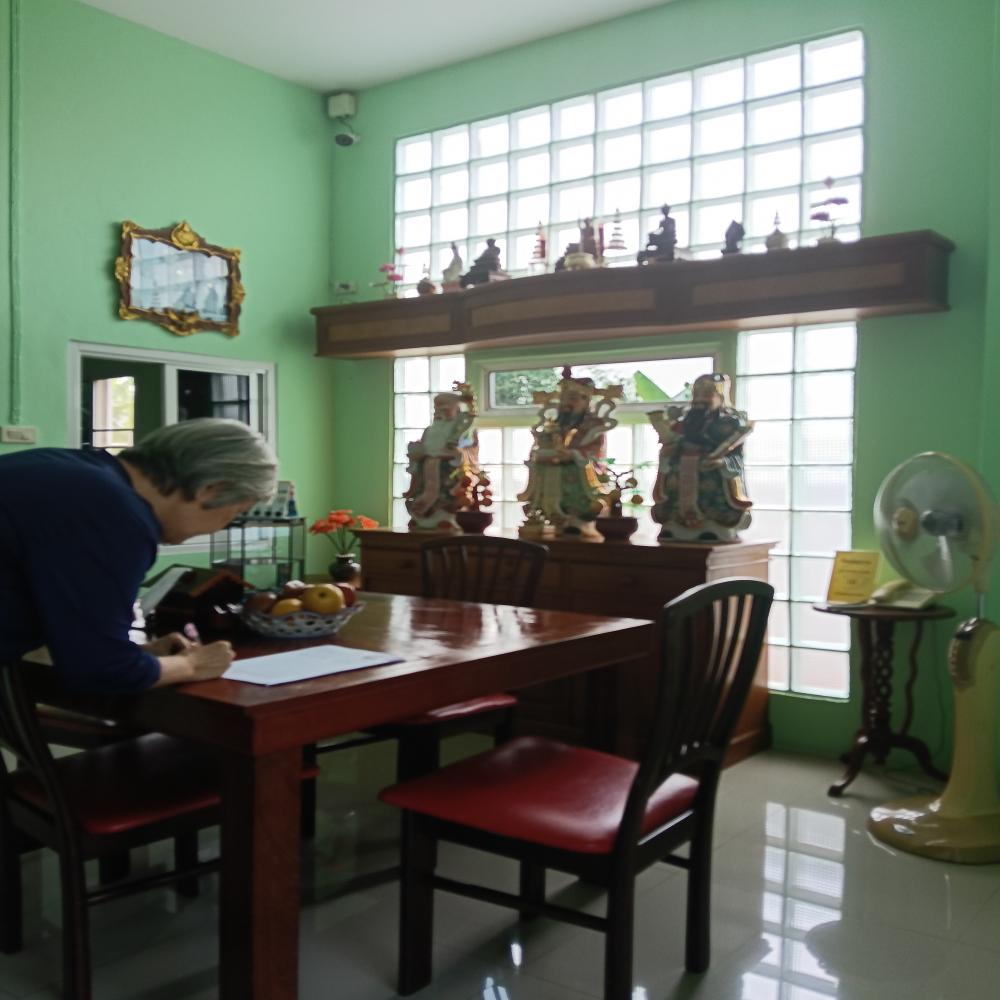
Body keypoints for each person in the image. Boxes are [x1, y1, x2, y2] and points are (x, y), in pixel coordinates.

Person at [0, 418, 277, 694]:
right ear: (212, 489)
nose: (221, 527)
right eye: (236, 512)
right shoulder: (115, 515)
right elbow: (102, 671)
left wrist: (142, 656)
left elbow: (80, 642)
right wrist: (191, 665)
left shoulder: (68, 469)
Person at [648, 373, 754, 541]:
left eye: (706, 394)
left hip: (712, 476)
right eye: (697, 395)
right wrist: (667, 453)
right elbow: (671, 447)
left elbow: (736, 456)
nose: (700, 400)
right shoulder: (683, 423)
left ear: (720, 396)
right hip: (681, 473)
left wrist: (722, 462)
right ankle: (675, 524)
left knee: (713, 501)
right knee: (672, 503)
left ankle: (715, 525)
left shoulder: (730, 425)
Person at [518, 368, 621, 538]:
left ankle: (576, 519)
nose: (567, 403)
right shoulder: (556, 423)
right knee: (541, 470)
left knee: (573, 476)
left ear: (585, 400)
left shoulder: (593, 425)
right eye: (565, 399)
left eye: (573, 398)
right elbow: (542, 443)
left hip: (580, 467)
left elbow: (594, 449)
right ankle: (543, 515)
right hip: (553, 464)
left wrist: (573, 454)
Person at [403, 384, 480, 531]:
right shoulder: (429, 429)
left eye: (445, 409)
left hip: (446, 465)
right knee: (422, 489)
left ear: (455, 410)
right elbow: (423, 444)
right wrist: (417, 453)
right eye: (437, 409)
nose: (440, 412)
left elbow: (470, 419)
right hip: (427, 464)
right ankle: (420, 517)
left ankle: (445, 517)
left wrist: (470, 402)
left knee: (445, 492)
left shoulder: (456, 427)